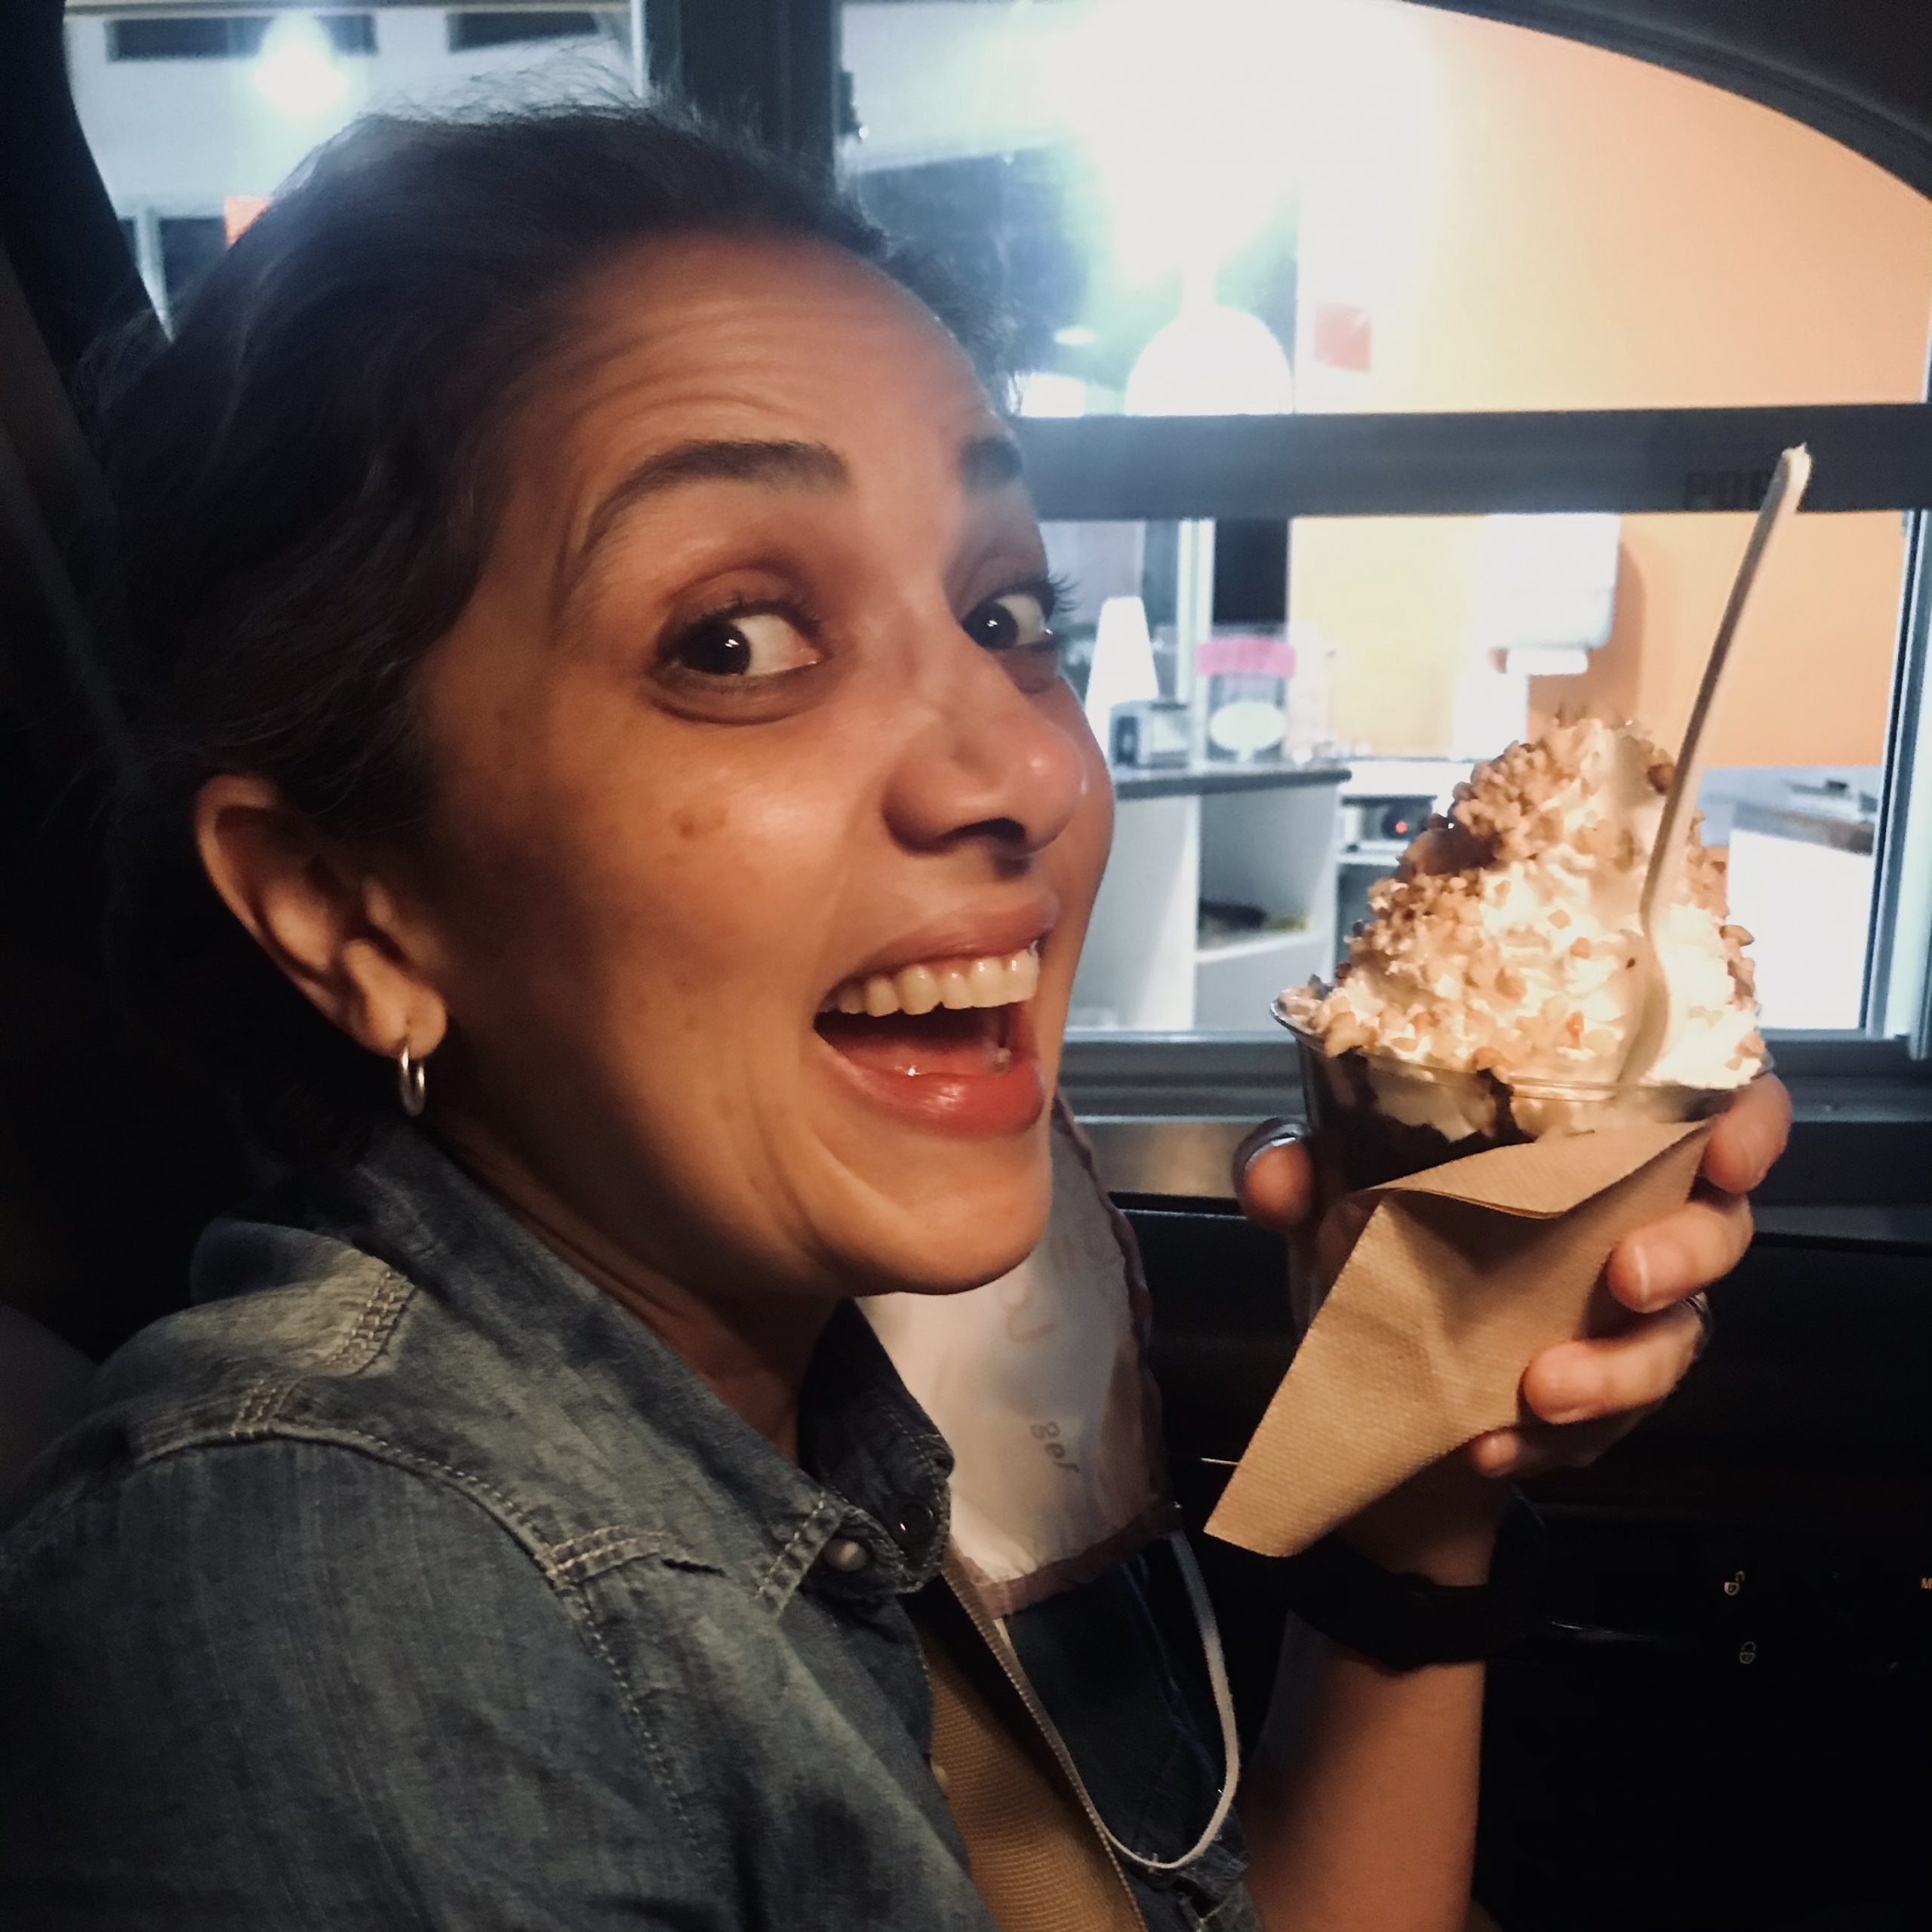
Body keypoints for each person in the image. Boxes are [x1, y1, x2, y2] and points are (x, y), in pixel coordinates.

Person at [0, 107, 1787, 1930]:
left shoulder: (794, 1407)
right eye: (734, 640)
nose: (1024, 766)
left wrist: (1425, 1457)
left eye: (1006, 611)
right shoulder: (339, 1589)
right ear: (341, 903)